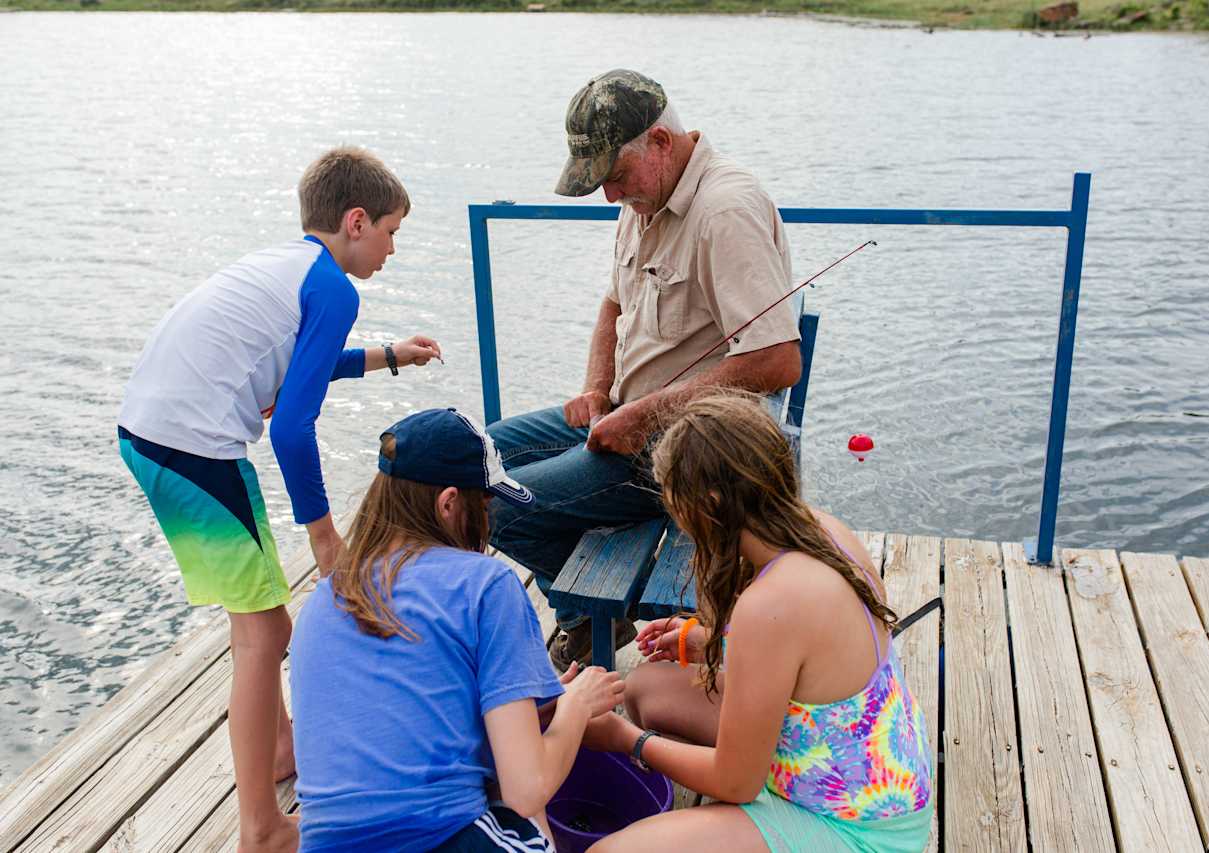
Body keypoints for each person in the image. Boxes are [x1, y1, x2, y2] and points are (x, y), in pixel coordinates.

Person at [117, 146, 441, 853]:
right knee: (262, 634)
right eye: (391, 229)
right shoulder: (334, 289)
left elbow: (304, 369)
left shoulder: (288, 267)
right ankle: (262, 826)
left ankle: (281, 748)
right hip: (192, 446)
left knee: (266, 627)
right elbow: (293, 422)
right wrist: (324, 535)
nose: (392, 245)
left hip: (152, 435)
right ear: (356, 221)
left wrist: (391, 356)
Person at [490, 69, 803, 671]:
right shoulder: (648, 195)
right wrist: (595, 388)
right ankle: (590, 618)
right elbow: (613, 303)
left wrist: (645, 414)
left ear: (660, 141)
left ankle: (589, 619)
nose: (610, 195)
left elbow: (777, 359)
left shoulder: (725, 210)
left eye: (615, 176)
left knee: (497, 507)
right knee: (476, 454)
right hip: (627, 413)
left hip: (688, 451)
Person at [580, 394, 935, 853]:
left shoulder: (768, 607)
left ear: (709, 504)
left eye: (674, 498)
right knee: (645, 689)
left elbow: (737, 782)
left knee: (607, 852)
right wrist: (706, 639)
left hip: (858, 826)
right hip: (857, 765)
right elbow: (806, 650)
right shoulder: (821, 529)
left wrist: (627, 739)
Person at [288, 408, 625, 851]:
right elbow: (527, 788)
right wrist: (576, 708)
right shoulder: (487, 585)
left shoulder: (325, 596)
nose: (487, 521)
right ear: (448, 504)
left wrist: (534, 709)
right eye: (484, 505)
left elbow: (401, 722)